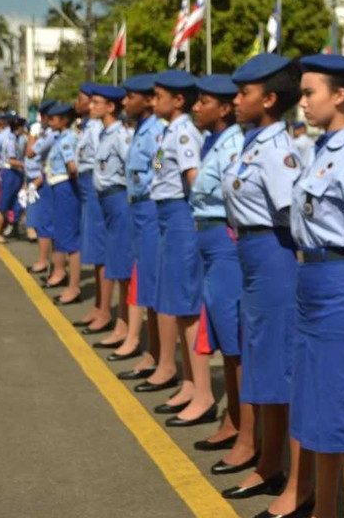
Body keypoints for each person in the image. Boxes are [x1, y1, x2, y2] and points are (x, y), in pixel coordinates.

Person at [221, 54, 308, 516]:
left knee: (278, 365)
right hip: (253, 257)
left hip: (274, 258)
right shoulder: (254, 143)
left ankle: (292, 474)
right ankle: (270, 461)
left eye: (244, 93)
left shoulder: (278, 150)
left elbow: (293, 217)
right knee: (262, 361)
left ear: (269, 99)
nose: (236, 101)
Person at [291, 53, 344, 518]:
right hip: (312, 281)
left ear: (340, 96)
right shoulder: (319, 149)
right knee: (318, 403)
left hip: (343, 283)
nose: (301, 101)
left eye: (310, 92)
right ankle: (324, 508)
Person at [189, 74, 256, 476]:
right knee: (221, 337)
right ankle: (233, 421)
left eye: (204, 101)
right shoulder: (201, 140)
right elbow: (165, 169)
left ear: (225, 107)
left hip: (223, 234)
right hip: (205, 232)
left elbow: (221, 189)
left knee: (234, 341)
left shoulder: (233, 142)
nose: (197, 107)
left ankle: (246, 430)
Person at [141, 70, 215, 430]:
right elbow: (157, 168)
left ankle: (203, 393)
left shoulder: (184, 131)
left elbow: (193, 178)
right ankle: (189, 383)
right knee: (175, 301)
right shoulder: (166, 132)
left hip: (181, 215)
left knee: (187, 307)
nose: (153, 102)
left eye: (158, 96)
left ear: (178, 100)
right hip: (165, 214)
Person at [113, 74, 163, 377]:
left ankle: (156, 355)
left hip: (151, 206)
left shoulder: (156, 131)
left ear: (147, 100)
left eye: (131, 97)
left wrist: (147, 185)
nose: (125, 102)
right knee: (144, 281)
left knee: (152, 284)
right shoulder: (143, 129)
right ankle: (151, 351)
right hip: (140, 208)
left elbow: (158, 165)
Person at [87, 84, 134, 353]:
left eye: (97, 102)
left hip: (119, 198)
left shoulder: (121, 135)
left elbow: (139, 165)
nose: (91, 106)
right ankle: (121, 322)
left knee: (122, 266)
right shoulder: (104, 134)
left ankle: (124, 325)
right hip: (106, 199)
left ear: (110, 107)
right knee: (114, 262)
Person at [44, 103, 83, 306]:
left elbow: (73, 167)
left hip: (69, 187)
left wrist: (154, 175)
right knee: (64, 234)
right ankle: (68, 281)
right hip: (62, 187)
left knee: (71, 238)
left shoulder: (161, 130)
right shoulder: (64, 137)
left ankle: (74, 287)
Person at [74, 84, 108, 312]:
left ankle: (105, 309)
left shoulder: (165, 129)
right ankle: (100, 307)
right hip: (92, 187)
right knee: (95, 251)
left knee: (103, 252)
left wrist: (148, 181)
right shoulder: (91, 128)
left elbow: (156, 163)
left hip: (107, 191)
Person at [24, 101, 57, 268]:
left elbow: (30, 152)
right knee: (43, 223)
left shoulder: (50, 134)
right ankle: (46, 262)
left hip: (48, 180)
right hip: (43, 178)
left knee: (46, 223)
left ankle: (47, 262)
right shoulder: (48, 133)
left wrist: (32, 135)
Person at [0, 111, 25, 244]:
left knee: (14, 202)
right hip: (9, 172)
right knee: (4, 203)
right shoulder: (9, 139)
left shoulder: (14, 138)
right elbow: (11, 160)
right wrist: (26, 165)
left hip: (14, 173)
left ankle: (8, 228)